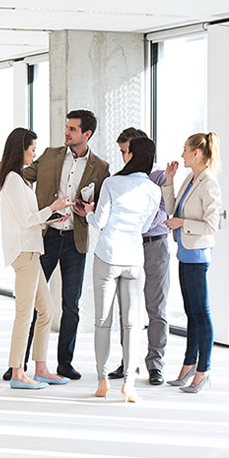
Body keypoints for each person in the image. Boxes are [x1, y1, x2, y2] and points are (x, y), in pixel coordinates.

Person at [0, 110, 110, 381]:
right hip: (45, 237)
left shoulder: (100, 167)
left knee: (66, 305)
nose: (66, 132)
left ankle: (60, 363)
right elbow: (16, 175)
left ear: (86, 134)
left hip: (75, 238)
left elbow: (101, 205)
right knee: (29, 308)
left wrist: (88, 208)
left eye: (72, 129)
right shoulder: (49, 156)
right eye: (66, 127)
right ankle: (18, 366)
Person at [74, 137, 160, 403]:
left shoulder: (112, 183)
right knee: (132, 323)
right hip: (134, 259)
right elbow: (145, 227)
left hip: (108, 256)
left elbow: (99, 222)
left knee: (103, 321)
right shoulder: (153, 190)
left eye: (126, 151)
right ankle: (130, 384)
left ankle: (102, 381)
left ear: (133, 154)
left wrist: (86, 212)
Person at [0, 127, 76, 389]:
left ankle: (40, 368)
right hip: (25, 252)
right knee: (25, 313)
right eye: (32, 149)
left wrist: (54, 216)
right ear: (21, 149)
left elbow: (31, 218)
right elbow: (26, 219)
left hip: (32, 250)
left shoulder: (20, 180)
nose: (34, 153)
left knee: (47, 310)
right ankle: (18, 372)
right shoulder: (13, 180)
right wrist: (51, 208)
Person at [107, 128, 170, 386]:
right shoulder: (120, 180)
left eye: (126, 151)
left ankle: (155, 365)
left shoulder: (162, 177)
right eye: (122, 152)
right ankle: (128, 362)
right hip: (128, 247)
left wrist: (139, 220)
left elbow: (163, 214)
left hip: (155, 246)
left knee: (156, 308)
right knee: (127, 309)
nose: (124, 157)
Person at [162, 132, 222, 394]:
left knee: (201, 313)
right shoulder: (190, 178)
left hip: (198, 255)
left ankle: (203, 370)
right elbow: (172, 209)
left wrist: (183, 223)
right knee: (191, 312)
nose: (182, 153)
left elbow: (212, 225)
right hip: (185, 253)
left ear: (197, 152)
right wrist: (169, 181)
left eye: (185, 149)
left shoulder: (209, 183)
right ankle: (188, 365)